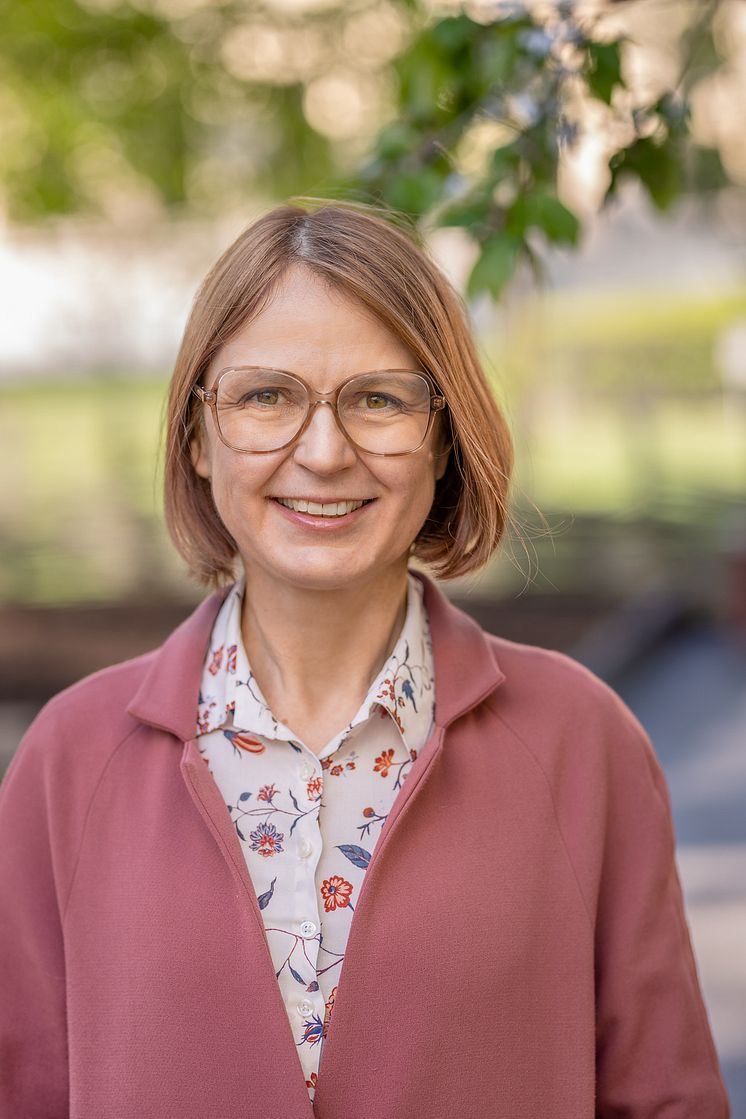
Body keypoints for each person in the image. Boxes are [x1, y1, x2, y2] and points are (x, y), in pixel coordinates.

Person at [0, 200, 730, 1119]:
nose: (323, 450)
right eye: (266, 394)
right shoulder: (70, 760)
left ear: (444, 438)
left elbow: (668, 1100)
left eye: (379, 399)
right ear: (195, 435)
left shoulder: (582, 743)